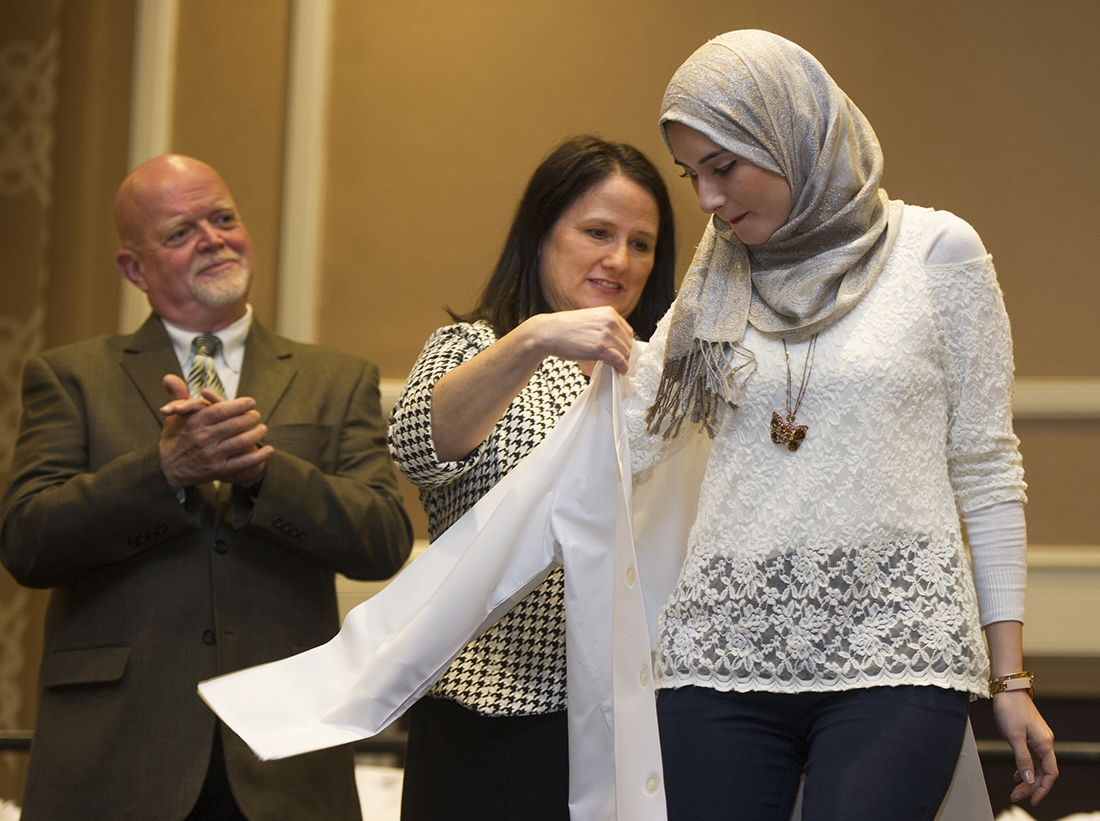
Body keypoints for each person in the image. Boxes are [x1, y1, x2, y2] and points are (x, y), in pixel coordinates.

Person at [623, 30, 1058, 820]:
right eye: (693, 177)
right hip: (719, 653)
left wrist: (1012, 677)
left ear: (792, 132)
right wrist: (539, 352)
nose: (708, 202)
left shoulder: (937, 252)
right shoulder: (714, 276)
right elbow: (634, 432)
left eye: (724, 168)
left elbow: (987, 467)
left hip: (897, 649)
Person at [0, 154, 413, 820]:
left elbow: (383, 539)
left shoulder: (335, 379)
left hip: (287, 756)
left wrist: (263, 475)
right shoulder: (69, 377)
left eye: (223, 218)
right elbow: (27, 539)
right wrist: (162, 473)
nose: (214, 239)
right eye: (181, 231)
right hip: (117, 755)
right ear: (133, 267)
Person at [388, 134, 676, 821]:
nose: (620, 260)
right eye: (598, 232)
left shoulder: (661, 380)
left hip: (636, 725)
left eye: (642, 243)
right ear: (541, 234)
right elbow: (419, 446)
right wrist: (538, 336)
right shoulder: (476, 349)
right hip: (490, 727)